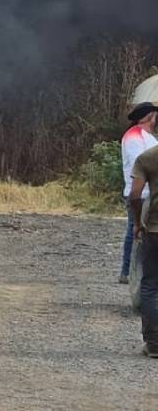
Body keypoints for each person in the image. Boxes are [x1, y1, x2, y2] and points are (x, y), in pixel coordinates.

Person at [120, 103, 158, 283]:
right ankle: (128, 272)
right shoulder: (134, 136)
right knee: (135, 231)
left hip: (150, 192)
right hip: (139, 193)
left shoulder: (148, 137)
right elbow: (139, 165)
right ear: (150, 116)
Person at [127, 145, 158, 357]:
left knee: (150, 286)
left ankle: (154, 343)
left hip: (155, 230)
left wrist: (138, 222)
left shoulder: (148, 157)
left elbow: (135, 194)